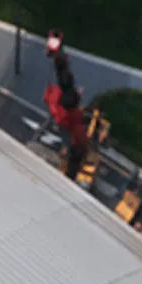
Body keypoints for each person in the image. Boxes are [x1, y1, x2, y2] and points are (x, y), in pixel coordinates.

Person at [44, 32, 96, 179]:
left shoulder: (65, 92)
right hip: (69, 110)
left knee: (66, 79)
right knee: (66, 79)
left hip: (68, 108)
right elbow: (65, 77)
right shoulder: (70, 111)